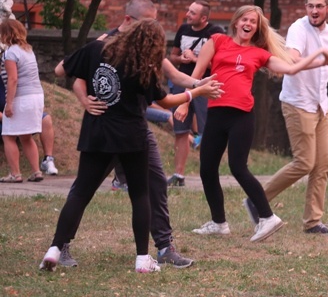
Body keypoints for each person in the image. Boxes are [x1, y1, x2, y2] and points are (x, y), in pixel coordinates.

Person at [40, 19, 220, 273]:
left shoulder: (95, 49)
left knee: (81, 192)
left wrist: (87, 95)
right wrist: (196, 93)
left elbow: (62, 71)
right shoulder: (142, 66)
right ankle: (142, 259)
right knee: (140, 195)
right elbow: (166, 100)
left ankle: (54, 249)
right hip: (131, 137)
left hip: (96, 133)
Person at [179, 4, 328, 242]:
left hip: (241, 115)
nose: (248, 24)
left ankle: (267, 217)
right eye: (245, 19)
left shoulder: (260, 53)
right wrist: (184, 102)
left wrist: (319, 56)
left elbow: (291, 68)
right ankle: (219, 223)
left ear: (257, 28)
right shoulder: (217, 40)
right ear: (236, 22)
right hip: (216, 113)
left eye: (253, 21)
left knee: (238, 167)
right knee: (207, 169)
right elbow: (196, 76)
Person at [245, 0, 328, 236]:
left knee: (323, 164)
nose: (314, 10)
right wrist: (318, 56)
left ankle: (313, 222)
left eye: (319, 6)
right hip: (298, 103)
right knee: (304, 162)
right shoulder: (298, 29)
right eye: (310, 6)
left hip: (321, 104)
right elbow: (292, 59)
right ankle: (257, 200)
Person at [168, 0, 224, 187]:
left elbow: (219, 63)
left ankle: (209, 173)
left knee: (207, 130)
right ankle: (179, 175)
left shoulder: (215, 32)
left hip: (205, 86)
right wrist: (181, 58)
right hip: (181, 83)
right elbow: (172, 57)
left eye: (192, 13)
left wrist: (196, 59)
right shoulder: (183, 29)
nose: (187, 14)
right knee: (181, 130)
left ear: (203, 18)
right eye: (188, 10)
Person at [0, 20, 45, 183]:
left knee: (8, 136)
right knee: (26, 136)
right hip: (36, 96)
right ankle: (36, 171)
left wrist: (9, 104)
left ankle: (15, 174)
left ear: (5, 34)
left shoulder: (10, 53)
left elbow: (13, 79)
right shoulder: (28, 50)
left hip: (21, 98)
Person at [0, 77, 58, 176]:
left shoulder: (15, 76)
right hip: (5, 119)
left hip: (18, 112)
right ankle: (16, 173)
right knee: (12, 135)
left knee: (45, 119)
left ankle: (47, 160)